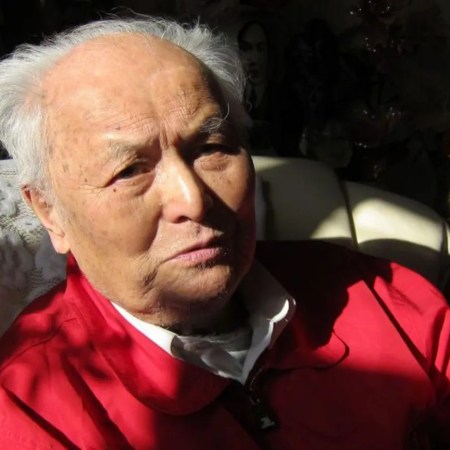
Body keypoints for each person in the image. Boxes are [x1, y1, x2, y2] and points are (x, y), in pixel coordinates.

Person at [0, 15, 448, 450]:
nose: (193, 200)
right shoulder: (26, 411)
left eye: (211, 148)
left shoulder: (383, 297)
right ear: (49, 212)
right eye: (130, 170)